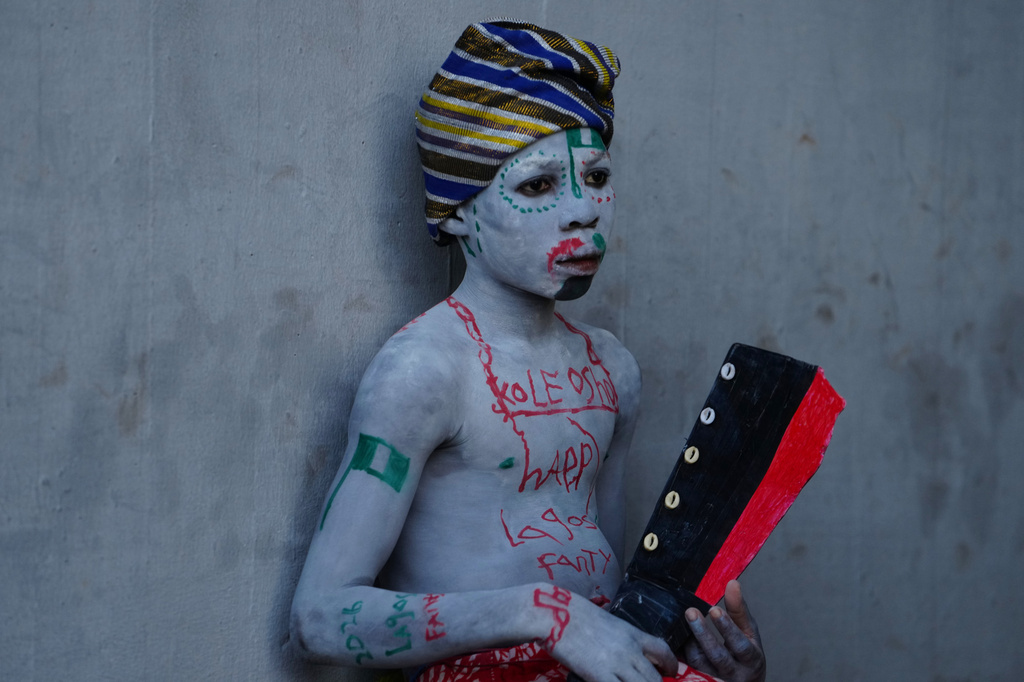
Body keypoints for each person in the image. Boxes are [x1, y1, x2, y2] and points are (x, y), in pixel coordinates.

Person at [290, 20, 767, 682]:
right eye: (538, 186)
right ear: (456, 209)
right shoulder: (425, 372)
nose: (583, 211)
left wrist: (699, 662)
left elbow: (615, 614)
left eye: (596, 176)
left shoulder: (611, 371)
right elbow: (319, 620)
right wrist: (548, 613)